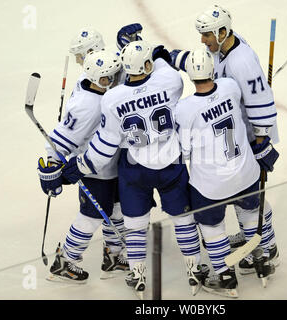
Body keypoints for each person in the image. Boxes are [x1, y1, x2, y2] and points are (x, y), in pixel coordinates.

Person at [47, 39, 209, 299]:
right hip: (171, 164)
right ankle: (194, 269)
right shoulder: (170, 81)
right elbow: (166, 63)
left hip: (135, 168)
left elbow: (105, 144)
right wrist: (157, 54)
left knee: (134, 224)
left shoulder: (111, 98)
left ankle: (136, 273)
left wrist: (77, 167)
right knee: (183, 219)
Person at [171, 4, 280, 277]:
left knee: (252, 195)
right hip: (235, 135)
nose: (203, 40)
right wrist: (176, 56)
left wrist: (261, 139)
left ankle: (268, 248)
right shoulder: (223, 48)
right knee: (248, 195)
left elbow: (260, 102)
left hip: (251, 136)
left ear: (223, 31)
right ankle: (258, 241)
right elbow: (204, 66)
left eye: (207, 34)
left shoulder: (240, 61)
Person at [175, 49, 269, 298]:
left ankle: (226, 276)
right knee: (250, 213)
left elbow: (184, 151)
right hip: (246, 173)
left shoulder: (184, 109)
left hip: (211, 184)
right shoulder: (230, 87)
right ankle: (260, 261)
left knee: (212, 226)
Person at [37, 31, 128, 283]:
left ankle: (114, 255)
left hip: (113, 163)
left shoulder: (98, 82)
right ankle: (66, 260)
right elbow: (63, 136)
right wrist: (52, 164)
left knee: (117, 208)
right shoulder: (88, 106)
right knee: (93, 215)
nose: (114, 78)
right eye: (109, 76)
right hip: (93, 167)